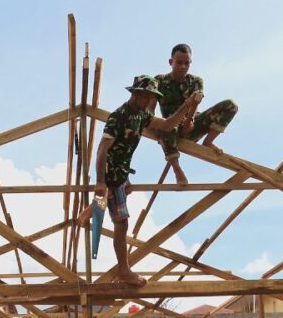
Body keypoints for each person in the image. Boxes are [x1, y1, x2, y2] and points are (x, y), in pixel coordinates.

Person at [78, 75, 201, 287]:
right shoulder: (119, 117)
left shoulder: (142, 116)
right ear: (137, 94)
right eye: (148, 97)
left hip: (122, 172)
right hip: (110, 174)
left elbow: (167, 124)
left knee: (122, 193)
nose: (150, 102)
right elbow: (101, 150)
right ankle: (123, 270)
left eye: (152, 98)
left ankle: (94, 207)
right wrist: (100, 182)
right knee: (122, 222)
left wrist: (187, 105)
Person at [154, 44, 239, 184]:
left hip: (193, 124)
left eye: (186, 63)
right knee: (164, 125)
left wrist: (190, 121)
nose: (183, 66)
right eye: (179, 62)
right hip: (170, 127)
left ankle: (209, 141)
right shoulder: (160, 81)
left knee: (230, 105)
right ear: (171, 62)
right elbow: (150, 108)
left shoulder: (195, 81)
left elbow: (196, 101)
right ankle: (177, 170)